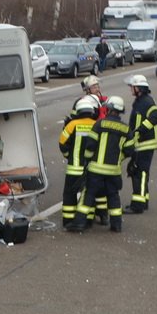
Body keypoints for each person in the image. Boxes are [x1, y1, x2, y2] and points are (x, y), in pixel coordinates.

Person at [66, 95, 133, 233]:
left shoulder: (100, 124)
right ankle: (116, 225)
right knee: (113, 196)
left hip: (96, 169)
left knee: (88, 195)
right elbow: (130, 150)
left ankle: (79, 223)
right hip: (114, 171)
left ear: (108, 109)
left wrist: (87, 162)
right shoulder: (126, 129)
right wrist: (119, 159)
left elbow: (90, 146)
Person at [58, 97, 99, 227]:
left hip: (74, 168)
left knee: (70, 194)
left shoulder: (72, 125)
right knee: (89, 194)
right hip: (91, 168)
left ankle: (68, 220)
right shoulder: (96, 125)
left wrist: (68, 155)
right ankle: (88, 220)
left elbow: (62, 143)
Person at [124, 74, 157, 213]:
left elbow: (156, 115)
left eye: (132, 87)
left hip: (145, 144)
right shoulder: (140, 101)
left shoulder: (146, 101)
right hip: (140, 144)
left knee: (140, 172)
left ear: (138, 88)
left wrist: (141, 129)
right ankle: (143, 200)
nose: (130, 90)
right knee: (138, 171)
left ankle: (137, 205)